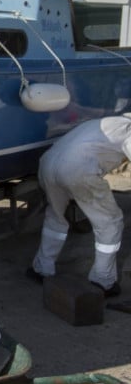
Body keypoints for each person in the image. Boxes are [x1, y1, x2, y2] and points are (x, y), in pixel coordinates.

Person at [29, 115, 130, 297]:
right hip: (78, 170)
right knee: (110, 223)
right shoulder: (128, 128)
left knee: (56, 217)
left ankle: (42, 269)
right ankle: (103, 281)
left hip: (47, 165)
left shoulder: (106, 122)